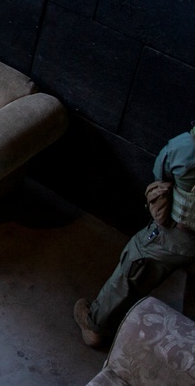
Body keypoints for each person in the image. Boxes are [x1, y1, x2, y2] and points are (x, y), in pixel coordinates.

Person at [74, 124, 195, 348]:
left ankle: (96, 325)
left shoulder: (186, 146)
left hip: (178, 235)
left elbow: (162, 171)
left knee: (134, 266)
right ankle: (187, 342)